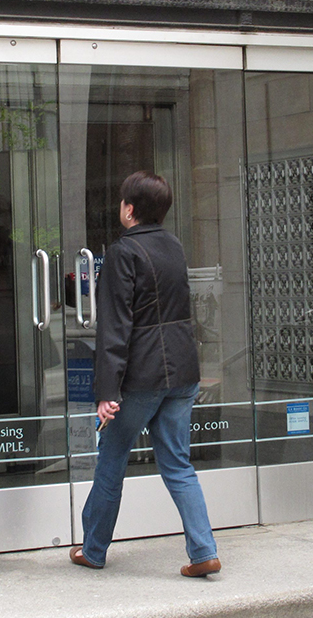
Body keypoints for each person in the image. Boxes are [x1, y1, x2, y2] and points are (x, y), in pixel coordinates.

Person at [70, 171, 222, 577]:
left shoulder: (123, 253)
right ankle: (203, 550)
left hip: (141, 377)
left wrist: (106, 391)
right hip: (182, 371)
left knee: (112, 460)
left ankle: (93, 549)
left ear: (130, 209)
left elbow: (115, 328)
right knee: (177, 464)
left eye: (122, 201)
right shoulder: (173, 246)